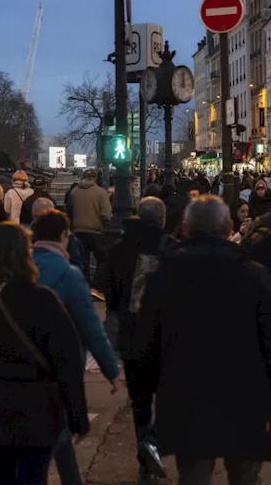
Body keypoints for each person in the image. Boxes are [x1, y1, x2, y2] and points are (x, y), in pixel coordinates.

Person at [133, 195, 271, 485]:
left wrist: (145, 408)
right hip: (246, 399)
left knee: (194, 475)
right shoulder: (253, 276)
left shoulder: (164, 277)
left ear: (185, 229)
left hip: (186, 399)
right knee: (246, 476)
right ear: (228, 228)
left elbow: (146, 348)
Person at [0, 222, 89, 485]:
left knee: (0, 476)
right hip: (37, 405)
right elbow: (67, 361)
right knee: (33, 477)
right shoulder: (43, 300)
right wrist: (77, 416)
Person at [29, 208, 120, 485]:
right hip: (61, 364)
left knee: (47, 433)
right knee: (58, 428)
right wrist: (110, 369)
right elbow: (91, 325)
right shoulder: (68, 275)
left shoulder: (22, 268)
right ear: (64, 236)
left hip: (22, 361)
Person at [101, 196, 174, 480]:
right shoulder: (170, 249)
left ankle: (145, 455)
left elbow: (107, 289)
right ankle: (152, 441)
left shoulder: (119, 249)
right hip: (166, 337)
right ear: (163, 218)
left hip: (133, 337)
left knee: (140, 401)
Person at [65, 169, 111, 278]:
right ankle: (97, 285)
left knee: (81, 262)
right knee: (102, 260)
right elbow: (106, 214)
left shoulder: (74, 192)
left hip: (78, 232)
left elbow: (69, 211)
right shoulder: (101, 192)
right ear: (95, 178)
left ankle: (83, 284)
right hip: (96, 231)